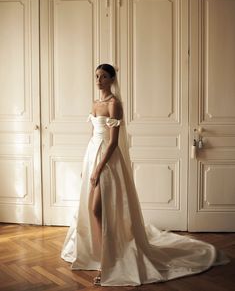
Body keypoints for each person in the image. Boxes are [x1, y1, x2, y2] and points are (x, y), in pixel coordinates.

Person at [61, 63, 228, 286]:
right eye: (97, 76)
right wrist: (87, 165)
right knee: (92, 210)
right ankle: (100, 254)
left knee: (97, 209)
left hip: (106, 160)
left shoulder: (114, 104)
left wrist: (99, 168)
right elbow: (92, 135)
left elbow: (112, 143)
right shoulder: (94, 104)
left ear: (112, 80)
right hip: (91, 154)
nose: (99, 80)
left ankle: (107, 261)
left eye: (103, 77)